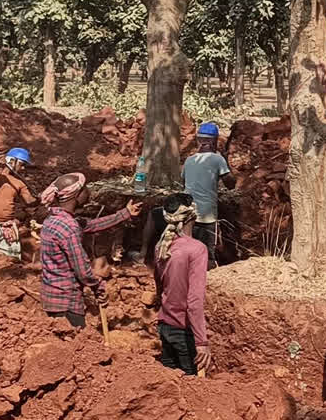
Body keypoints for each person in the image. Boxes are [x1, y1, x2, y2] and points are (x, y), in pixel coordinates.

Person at [38, 172, 141, 328]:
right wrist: (97, 286)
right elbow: (82, 270)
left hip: (51, 297)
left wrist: (124, 213)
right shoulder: (69, 227)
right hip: (67, 300)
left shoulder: (53, 219)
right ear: (77, 195)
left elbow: (92, 225)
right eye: (86, 188)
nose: (89, 192)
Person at [152, 193, 211, 376]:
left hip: (165, 327)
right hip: (183, 332)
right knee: (192, 392)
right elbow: (194, 301)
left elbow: (159, 286)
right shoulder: (197, 250)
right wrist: (201, 343)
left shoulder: (162, 246)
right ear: (193, 215)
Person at [181, 122, 236, 268]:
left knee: (189, 250)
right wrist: (225, 161)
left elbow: (184, 183)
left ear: (199, 140)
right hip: (207, 215)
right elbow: (231, 184)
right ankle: (208, 281)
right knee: (207, 254)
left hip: (188, 214)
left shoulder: (189, 160)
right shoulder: (218, 159)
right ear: (214, 141)